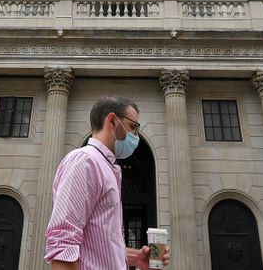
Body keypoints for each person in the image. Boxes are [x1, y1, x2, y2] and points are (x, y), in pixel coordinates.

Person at [45, 96, 170, 269]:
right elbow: (63, 244)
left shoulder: (105, 166)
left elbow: (99, 244)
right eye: (133, 127)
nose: (136, 136)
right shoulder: (85, 161)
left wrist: (135, 258)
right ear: (112, 121)